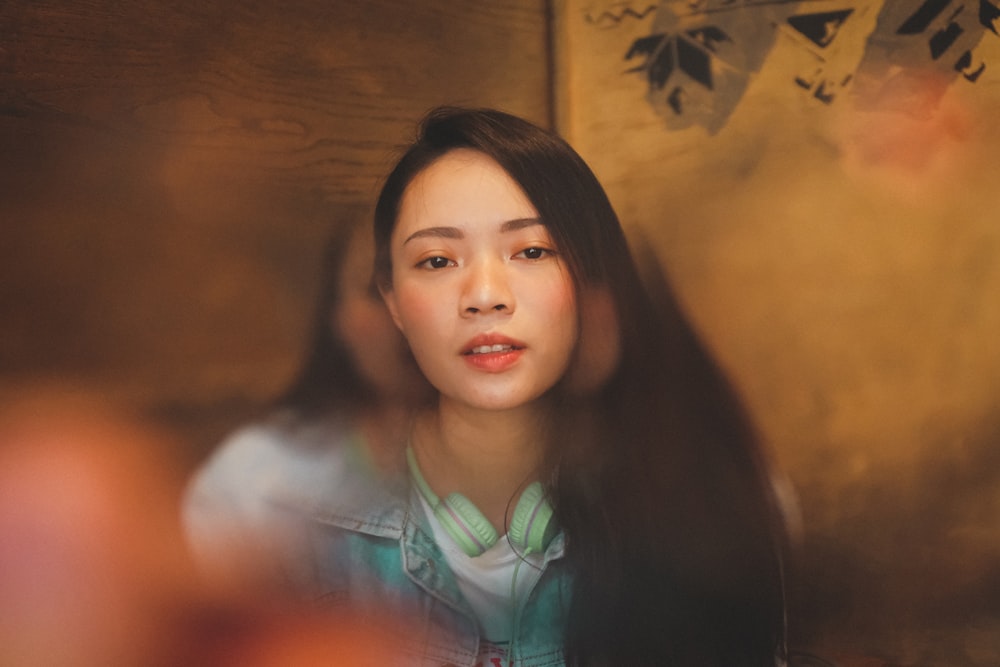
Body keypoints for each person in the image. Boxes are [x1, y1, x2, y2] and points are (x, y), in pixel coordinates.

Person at [185, 107, 789, 666]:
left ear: (592, 279)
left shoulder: (719, 497)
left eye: (531, 249)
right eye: (437, 261)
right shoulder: (265, 500)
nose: (484, 296)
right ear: (392, 300)